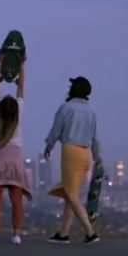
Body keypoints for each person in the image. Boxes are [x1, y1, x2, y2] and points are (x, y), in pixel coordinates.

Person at [44, 76, 102, 245]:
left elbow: (56, 129)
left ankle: (90, 232)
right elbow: (95, 138)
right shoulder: (91, 112)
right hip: (86, 154)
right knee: (71, 193)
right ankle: (64, 233)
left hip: (71, 152)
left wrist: (49, 145)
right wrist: (97, 156)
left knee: (71, 194)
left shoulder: (66, 108)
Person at [0, 52, 32, 244]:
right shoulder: (19, 113)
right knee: (16, 196)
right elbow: (21, 87)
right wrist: (22, 66)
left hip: (0, 154)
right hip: (16, 155)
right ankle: (16, 234)